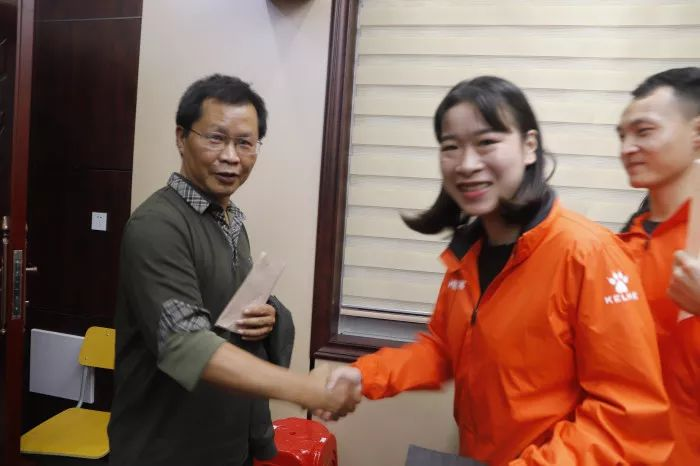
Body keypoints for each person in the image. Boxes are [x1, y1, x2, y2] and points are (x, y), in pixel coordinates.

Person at [323, 76, 673, 465]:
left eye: (487, 142)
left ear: (529, 146)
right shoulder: (469, 254)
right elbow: (444, 350)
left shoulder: (589, 254)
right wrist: (365, 375)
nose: (467, 164)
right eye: (451, 147)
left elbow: (626, 415)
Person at [108, 74, 359, 466]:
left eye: (245, 143)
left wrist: (269, 317)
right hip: (164, 448)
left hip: (226, 443)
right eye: (215, 138)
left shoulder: (231, 221)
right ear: (181, 137)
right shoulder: (157, 226)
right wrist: (304, 389)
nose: (231, 156)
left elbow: (223, 309)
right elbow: (184, 343)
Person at [617, 67, 700, 464]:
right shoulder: (620, 246)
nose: (627, 148)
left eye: (644, 131)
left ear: (697, 133)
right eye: (622, 135)